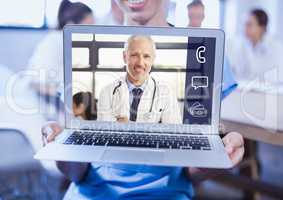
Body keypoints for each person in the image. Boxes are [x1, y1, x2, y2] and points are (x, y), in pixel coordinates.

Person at [42, 1, 244, 199]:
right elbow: (76, 173)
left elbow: (192, 173)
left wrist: (214, 159)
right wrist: (62, 151)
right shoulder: (80, 46)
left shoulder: (204, 50)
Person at [98, 35, 181, 124]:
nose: (140, 63)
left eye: (146, 56)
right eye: (134, 55)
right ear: (125, 57)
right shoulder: (107, 92)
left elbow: (173, 132)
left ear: (153, 59)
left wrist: (125, 124)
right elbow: (104, 130)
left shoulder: (166, 93)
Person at [27, 0, 95, 97]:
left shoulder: (81, 47)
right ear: (71, 25)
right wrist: (65, 97)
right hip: (40, 102)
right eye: (88, 27)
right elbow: (37, 83)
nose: (92, 33)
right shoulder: (54, 41)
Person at [228, 9, 283, 82]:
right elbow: (234, 71)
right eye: (244, 24)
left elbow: (278, 77)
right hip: (245, 89)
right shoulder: (240, 45)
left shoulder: (276, 47)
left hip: (268, 90)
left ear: (262, 28)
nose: (245, 28)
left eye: (249, 25)